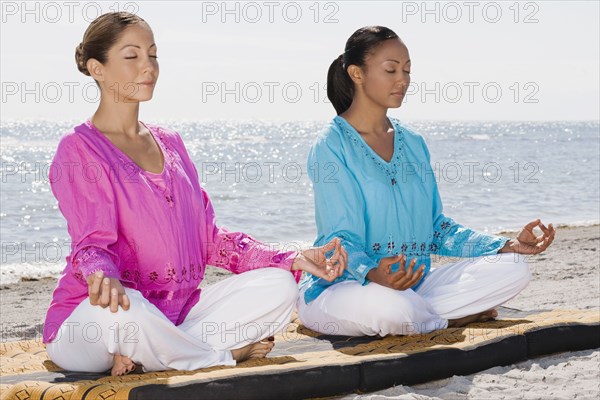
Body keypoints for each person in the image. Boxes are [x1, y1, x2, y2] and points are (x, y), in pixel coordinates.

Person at [42, 12, 347, 376]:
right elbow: (92, 243)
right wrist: (101, 276)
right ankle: (222, 356)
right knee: (127, 310)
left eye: (153, 55)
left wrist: (291, 257)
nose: (148, 67)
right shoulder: (78, 149)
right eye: (132, 56)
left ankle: (158, 355)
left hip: (179, 319)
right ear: (98, 68)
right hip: (93, 318)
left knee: (280, 286)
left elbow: (209, 239)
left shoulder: (170, 143)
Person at [297, 26, 555, 337]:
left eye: (407, 70)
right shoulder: (330, 146)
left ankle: (424, 315)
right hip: (343, 287)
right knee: (392, 308)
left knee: (514, 269)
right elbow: (340, 240)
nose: (402, 80)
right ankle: (445, 317)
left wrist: (505, 245)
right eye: (391, 70)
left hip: (417, 284)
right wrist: (376, 273)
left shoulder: (414, 142)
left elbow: (436, 228)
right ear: (357, 74)